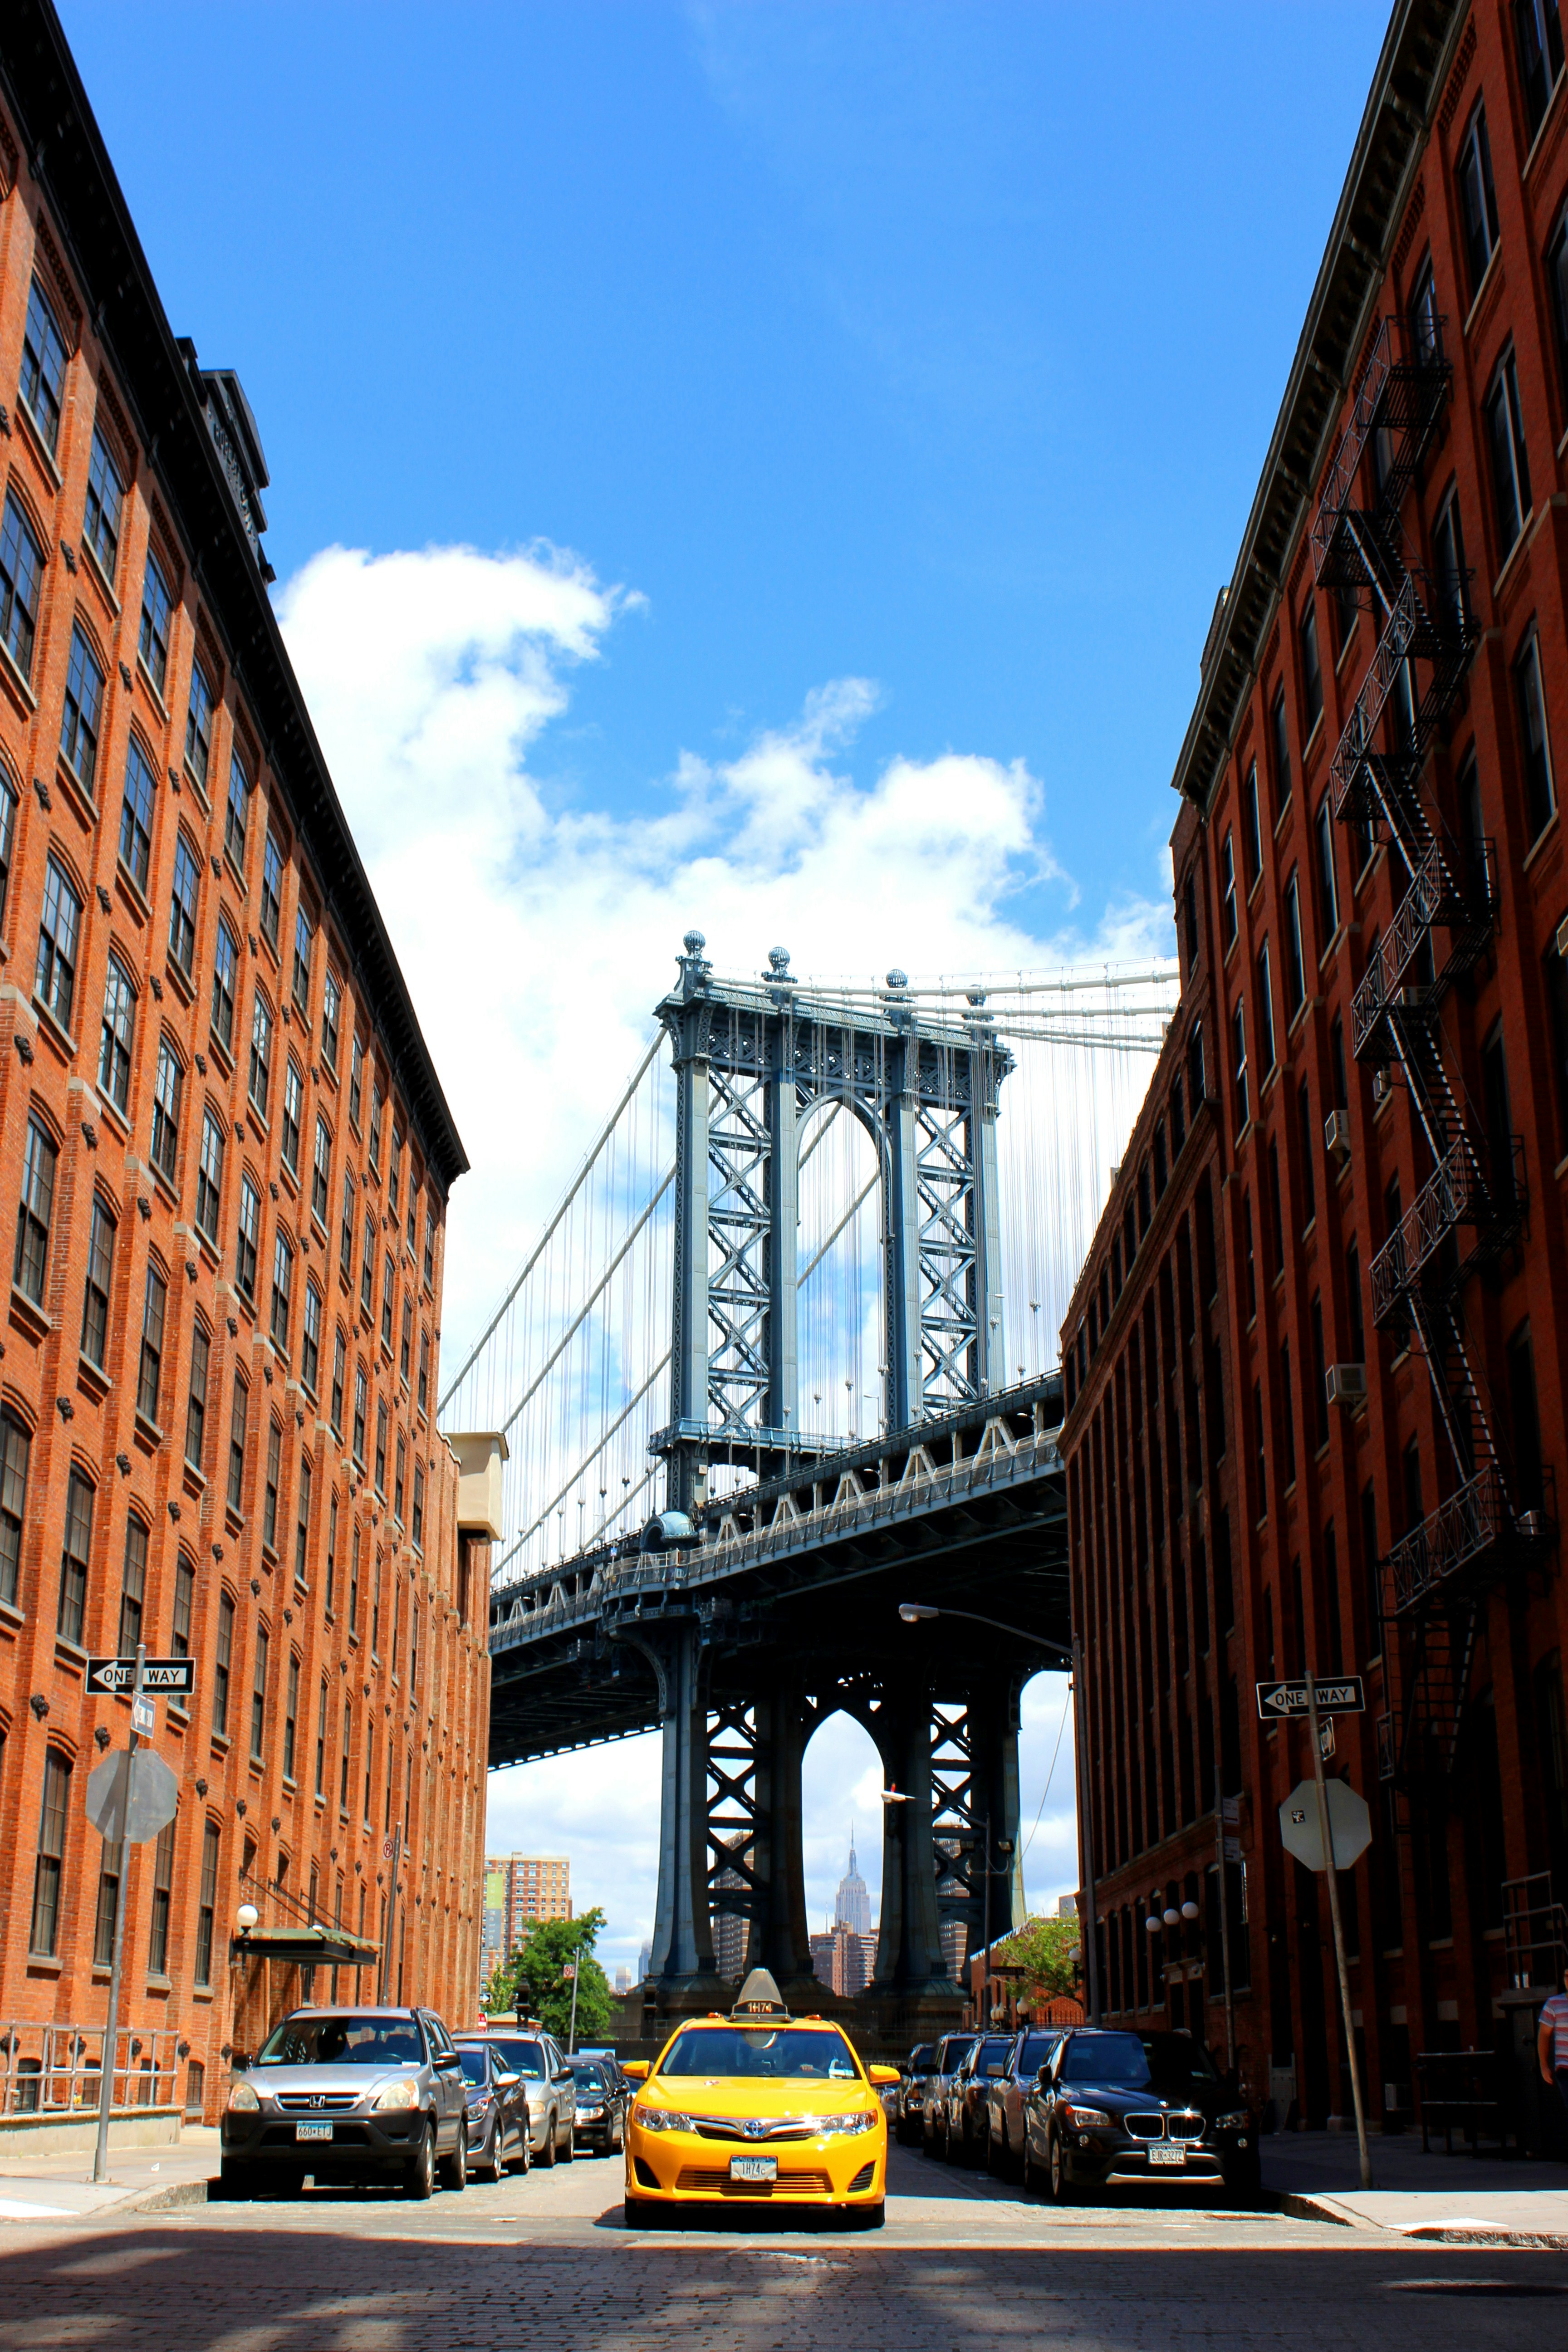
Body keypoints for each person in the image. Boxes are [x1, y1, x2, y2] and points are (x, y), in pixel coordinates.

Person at [1537, 1965, 1568, 2115]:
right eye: (1567, 1976)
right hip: (1565, 2068)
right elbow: (1544, 2035)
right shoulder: (1553, 2004)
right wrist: (1544, 2066)